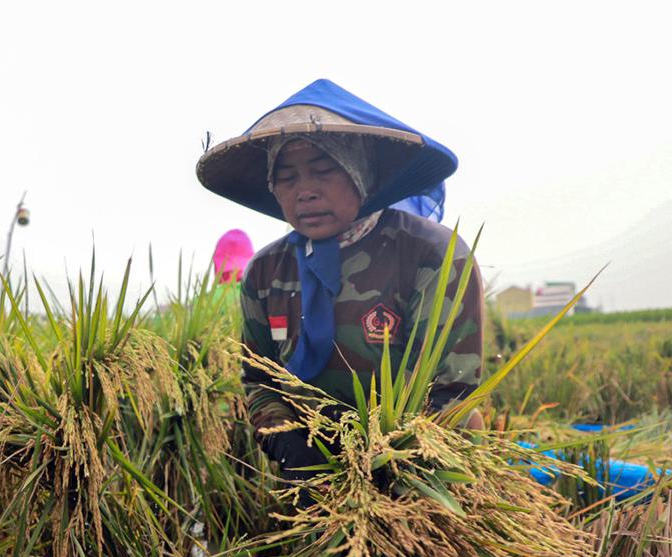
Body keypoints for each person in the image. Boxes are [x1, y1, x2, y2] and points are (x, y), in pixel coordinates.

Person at [196, 79, 483, 478]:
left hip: (422, 475)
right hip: (309, 479)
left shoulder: (431, 255)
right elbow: (259, 381)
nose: (306, 192)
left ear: (359, 172)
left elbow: (450, 395)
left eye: (323, 170)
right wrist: (287, 441)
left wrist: (383, 466)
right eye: (288, 177)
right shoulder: (265, 272)